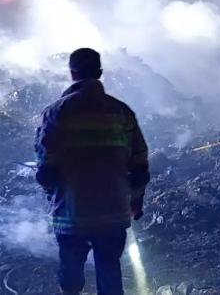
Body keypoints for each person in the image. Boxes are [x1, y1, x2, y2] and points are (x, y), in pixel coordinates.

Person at [35, 48, 150, 295]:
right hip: (113, 212)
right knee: (109, 272)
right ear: (100, 72)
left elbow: (46, 171)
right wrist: (135, 202)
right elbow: (139, 166)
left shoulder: (55, 113)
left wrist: (53, 197)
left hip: (71, 213)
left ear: (72, 73)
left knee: (71, 276)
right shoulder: (122, 112)